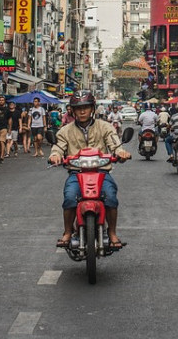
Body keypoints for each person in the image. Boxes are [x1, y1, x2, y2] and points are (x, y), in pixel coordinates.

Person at [49, 92, 130, 249]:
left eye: (86, 107)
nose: (82, 111)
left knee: (111, 197)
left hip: (101, 172)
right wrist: (55, 156)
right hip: (76, 173)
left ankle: (112, 232)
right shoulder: (65, 130)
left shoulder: (105, 127)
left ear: (92, 109)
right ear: (72, 110)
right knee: (70, 197)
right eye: (78, 108)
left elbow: (115, 144)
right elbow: (58, 147)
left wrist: (121, 153)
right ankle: (67, 231)